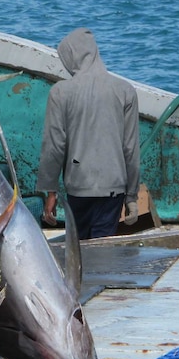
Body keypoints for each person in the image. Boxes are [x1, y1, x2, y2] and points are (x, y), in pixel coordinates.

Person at [36, 28, 140, 240]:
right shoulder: (125, 90)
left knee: (79, 248)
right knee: (103, 249)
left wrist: (51, 191)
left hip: (78, 187)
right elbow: (130, 149)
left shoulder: (60, 92)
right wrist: (131, 197)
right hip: (113, 188)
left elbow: (54, 147)